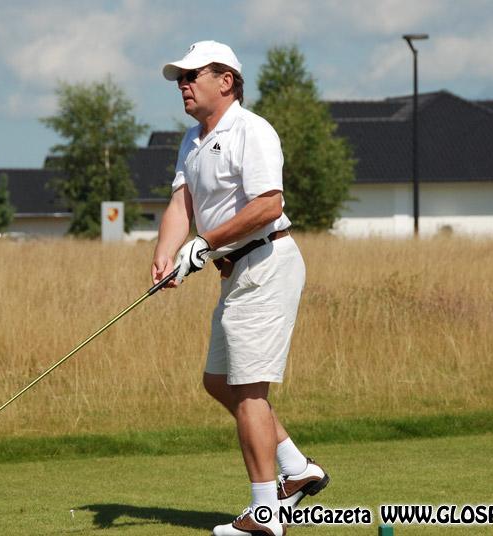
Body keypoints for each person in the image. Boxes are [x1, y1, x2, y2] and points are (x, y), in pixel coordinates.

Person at [152, 41, 329, 536]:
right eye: (180, 79)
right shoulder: (192, 140)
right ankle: (297, 468)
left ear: (225, 81)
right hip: (234, 272)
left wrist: (203, 243)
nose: (183, 85)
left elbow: (268, 205)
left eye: (193, 76)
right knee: (218, 382)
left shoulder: (253, 131)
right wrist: (168, 252)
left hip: (267, 263)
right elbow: (181, 204)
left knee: (250, 392)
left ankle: (266, 516)